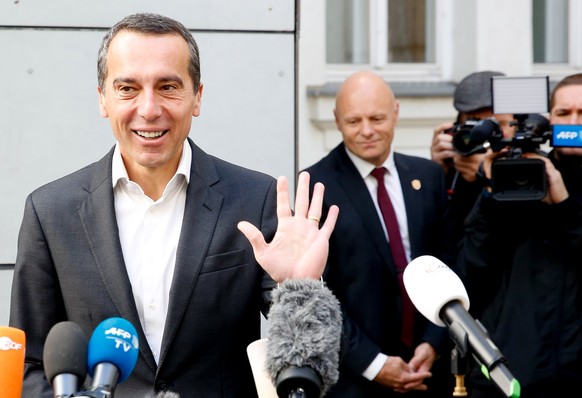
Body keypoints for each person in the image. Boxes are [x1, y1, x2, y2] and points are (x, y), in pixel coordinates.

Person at [9, 13, 339, 398]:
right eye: (128, 88)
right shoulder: (51, 212)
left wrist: (300, 288)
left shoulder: (254, 198)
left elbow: (305, 364)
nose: (149, 109)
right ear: (103, 98)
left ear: (197, 96)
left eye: (168, 86)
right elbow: (29, 364)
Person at [304, 70, 457, 397]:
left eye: (377, 118)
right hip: (355, 380)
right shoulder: (316, 187)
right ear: (336, 119)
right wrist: (373, 364)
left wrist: (434, 341)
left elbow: (447, 262)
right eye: (354, 121)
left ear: (396, 112)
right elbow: (318, 295)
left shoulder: (428, 176)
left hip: (429, 373)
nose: (367, 131)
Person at [457, 73, 582, 397]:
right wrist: (489, 193)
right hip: (512, 376)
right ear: (549, 120)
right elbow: (469, 273)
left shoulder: (560, 193)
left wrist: (564, 205)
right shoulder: (517, 175)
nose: (573, 122)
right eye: (564, 113)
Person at [430, 71, 515, 244]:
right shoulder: (451, 166)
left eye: (495, 125)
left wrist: (488, 179)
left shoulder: (533, 169)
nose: (485, 134)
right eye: (476, 124)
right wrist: (436, 175)